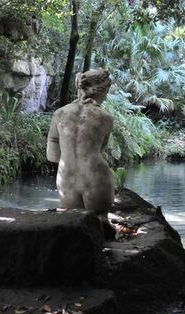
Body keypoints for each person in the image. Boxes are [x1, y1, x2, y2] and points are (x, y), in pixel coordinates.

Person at [47, 68, 115, 236]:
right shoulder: (105, 117)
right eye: (107, 91)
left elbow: (52, 155)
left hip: (66, 178)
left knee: (73, 227)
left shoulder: (59, 113)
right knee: (100, 224)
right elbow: (100, 150)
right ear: (101, 90)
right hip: (96, 175)